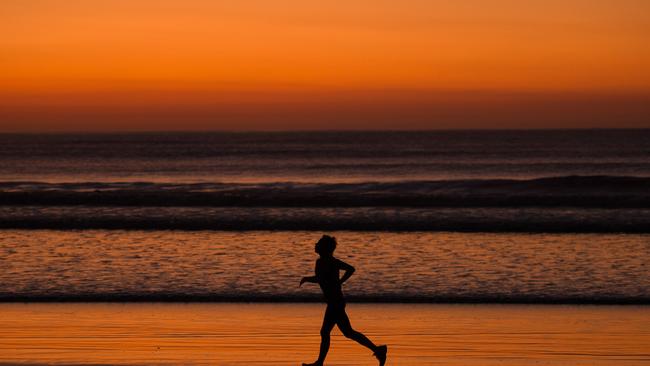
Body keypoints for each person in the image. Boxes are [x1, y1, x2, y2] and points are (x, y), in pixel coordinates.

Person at [299, 235, 387, 366]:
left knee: (326, 332)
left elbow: (350, 269)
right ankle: (378, 350)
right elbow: (322, 278)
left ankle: (320, 363)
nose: (315, 244)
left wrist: (339, 281)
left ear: (325, 248)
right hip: (335, 302)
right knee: (348, 332)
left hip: (335, 302)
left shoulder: (330, 261)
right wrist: (308, 279)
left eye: (319, 243)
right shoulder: (321, 261)